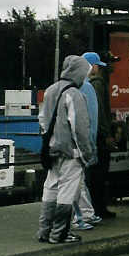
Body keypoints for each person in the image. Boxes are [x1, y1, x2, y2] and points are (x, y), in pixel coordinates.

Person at [37, 55, 94, 244]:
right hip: (71, 152)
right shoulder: (75, 95)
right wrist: (87, 154)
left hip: (52, 150)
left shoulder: (50, 91)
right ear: (78, 73)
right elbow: (80, 129)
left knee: (51, 188)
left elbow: (43, 121)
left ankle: (44, 230)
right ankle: (60, 233)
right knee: (67, 192)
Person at [85, 51, 117, 218]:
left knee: (95, 174)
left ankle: (96, 207)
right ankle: (99, 208)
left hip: (93, 134)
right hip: (99, 135)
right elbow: (99, 112)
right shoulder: (97, 83)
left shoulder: (88, 83)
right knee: (100, 173)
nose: (112, 66)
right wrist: (107, 134)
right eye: (110, 63)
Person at [71, 66, 101, 231]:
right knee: (78, 181)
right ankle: (83, 216)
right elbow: (90, 119)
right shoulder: (87, 87)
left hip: (72, 143)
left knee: (77, 181)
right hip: (81, 143)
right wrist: (90, 144)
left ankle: (86, 214)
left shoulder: (70, 88)